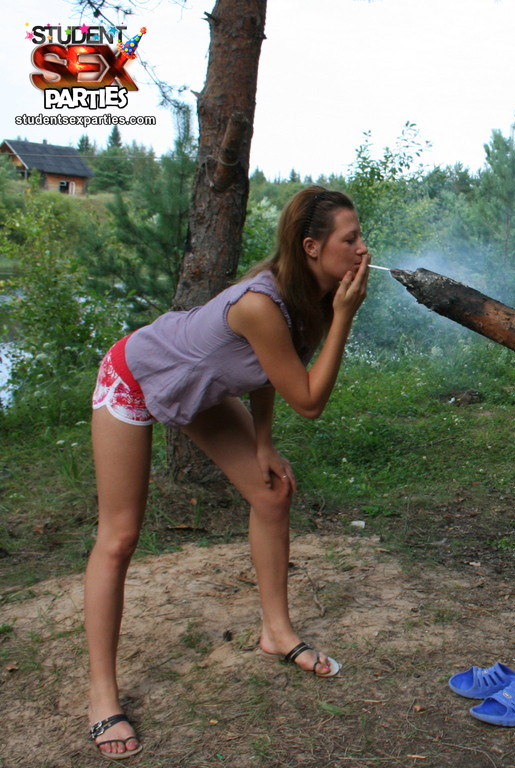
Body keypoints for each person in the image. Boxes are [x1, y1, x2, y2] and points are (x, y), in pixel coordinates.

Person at [84, 186, 370, 759]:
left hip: (202, 386)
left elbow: (268, 372)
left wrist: (263, 442)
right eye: (351, 239)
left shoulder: (307, 294)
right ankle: (101, 697)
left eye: (361, 235)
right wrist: (345, 316)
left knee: (271, 494)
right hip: (137, 373)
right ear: (312, 246)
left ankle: (277, 634)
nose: (363, 248)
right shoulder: (264, 303)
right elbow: (310, 401)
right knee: (119, 537)